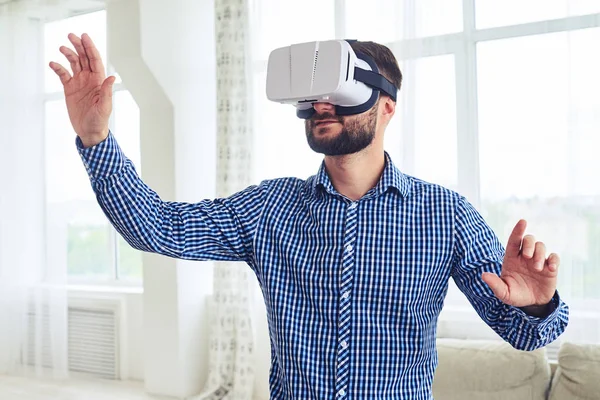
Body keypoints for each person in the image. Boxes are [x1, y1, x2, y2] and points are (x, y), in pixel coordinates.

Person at [49, 33, 568, 400]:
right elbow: (155, 226)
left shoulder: (446, 215)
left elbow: (524, 335)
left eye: (340, 94)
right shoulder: (269, 208)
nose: (323, 105)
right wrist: (95, 137)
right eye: (315, 96)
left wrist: (539, 305)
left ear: (386, 107)